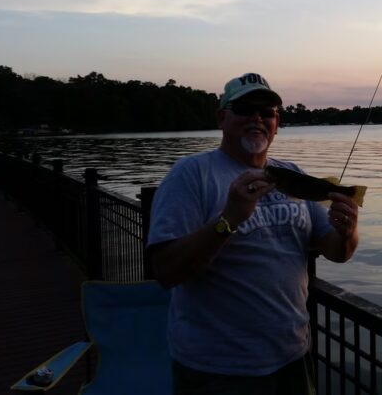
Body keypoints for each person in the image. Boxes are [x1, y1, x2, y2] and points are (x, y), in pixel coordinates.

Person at [146, 72, 359, 395]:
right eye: (245, 109)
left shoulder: (292, 174)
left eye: (267, 112)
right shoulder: (190, 175)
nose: (257, 118)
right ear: (222, 117)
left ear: (277, 122)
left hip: (294, 357)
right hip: (218, 370)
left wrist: (347, 231)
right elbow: (165, 271)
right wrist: (229, 218)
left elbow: (336, 252)